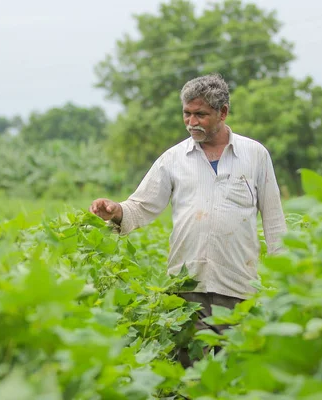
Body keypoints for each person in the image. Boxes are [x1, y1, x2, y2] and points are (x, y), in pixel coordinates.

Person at [89, 73, 287, 366]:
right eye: (187, 114)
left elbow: (273, 220)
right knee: (190, 372)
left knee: (233, 369)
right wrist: (116, 211)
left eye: (201, 115)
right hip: (186, 287)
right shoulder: (173, 158)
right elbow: (142, 205)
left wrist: (288, 278)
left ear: (223, 113)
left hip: (237, 286)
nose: (192, 122)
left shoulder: (254, 155)